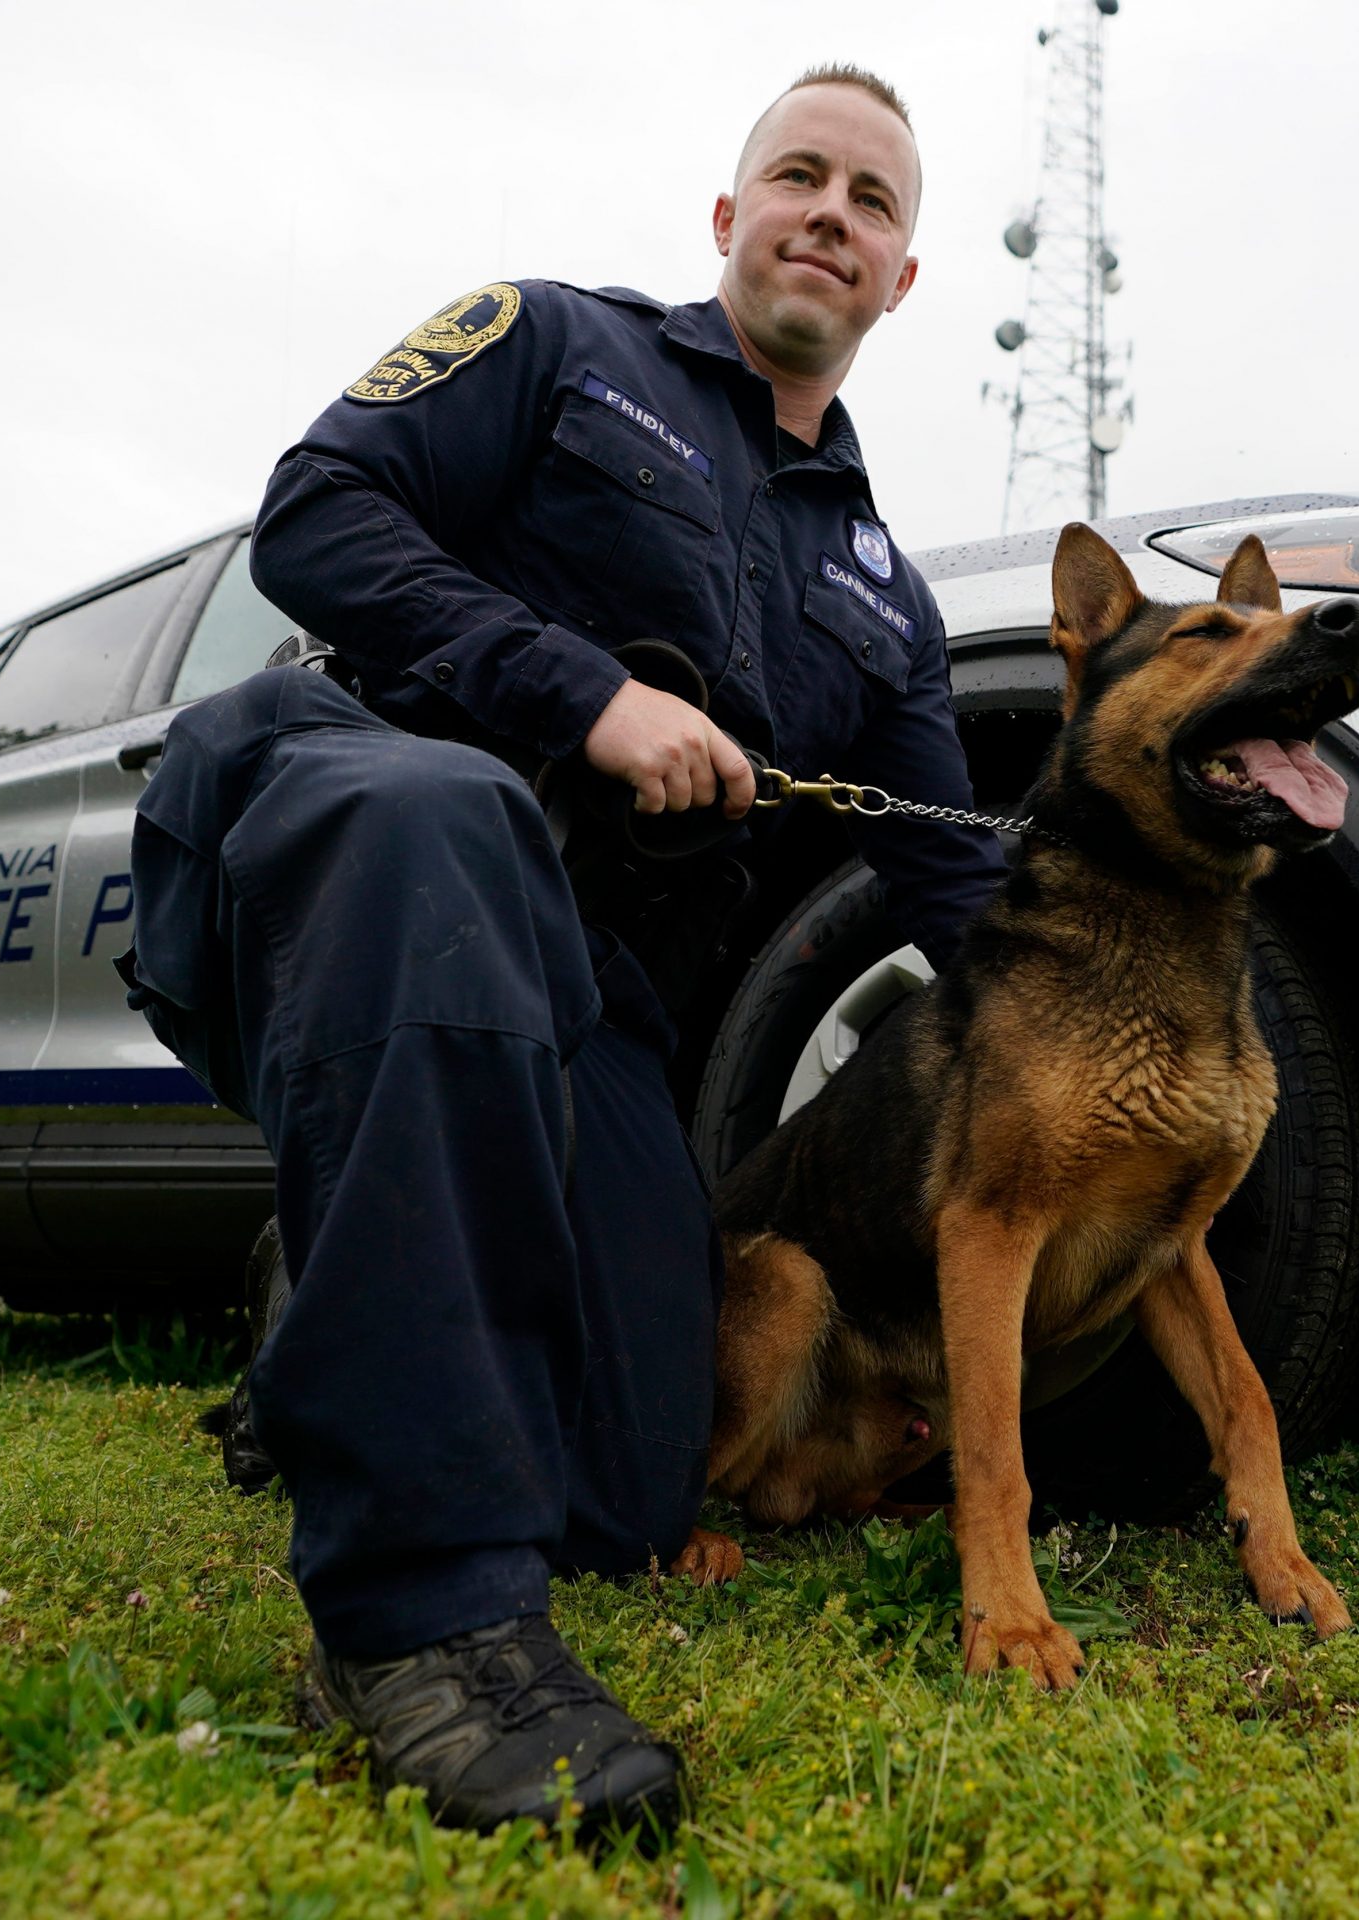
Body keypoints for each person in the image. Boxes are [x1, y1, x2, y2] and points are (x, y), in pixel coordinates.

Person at [121, 66, 1005, 1838]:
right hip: (349, 818)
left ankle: (330, 1286)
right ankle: (419, 1623)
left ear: (902, 280)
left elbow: (948, 887)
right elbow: (312, 513)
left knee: (617, 1488)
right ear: (729, 218)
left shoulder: (891, 605)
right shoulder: (550, 340)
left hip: (578, 1002)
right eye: (800, 178)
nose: (831, 213)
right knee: (451, 830)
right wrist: (578, 692)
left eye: (874, 202)